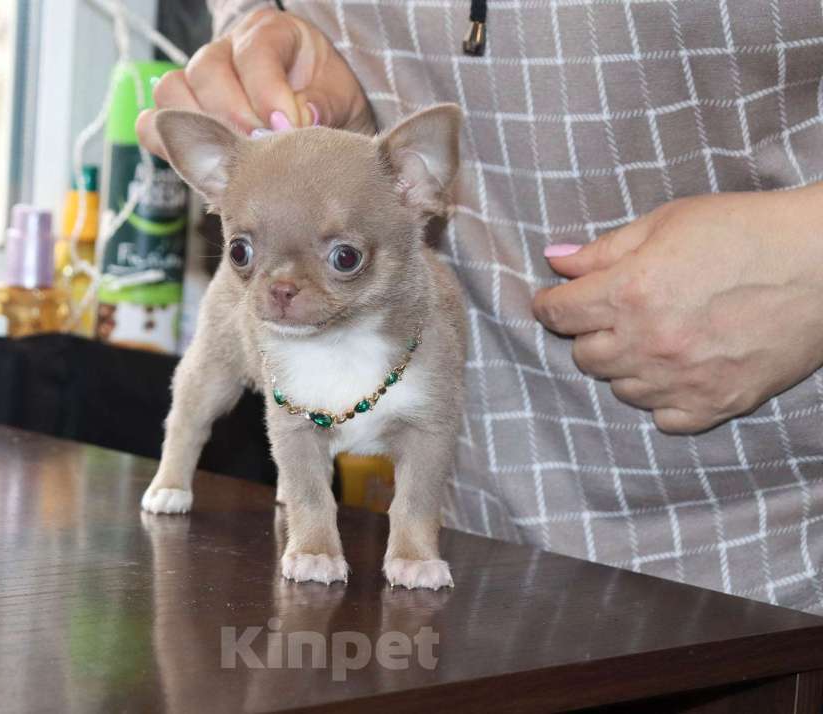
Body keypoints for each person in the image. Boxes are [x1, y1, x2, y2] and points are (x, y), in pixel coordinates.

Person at [138, 1, 823, 613]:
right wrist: (263, 34)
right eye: (242, 256)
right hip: (467, 553)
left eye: (341, 259)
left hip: (768, 549)